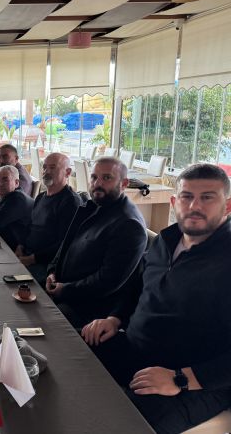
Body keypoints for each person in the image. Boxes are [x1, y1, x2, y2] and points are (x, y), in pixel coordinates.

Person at [81, 163, 231, 434]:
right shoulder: (166, 240)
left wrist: (181, 378)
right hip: (138, 349)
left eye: (207, 197)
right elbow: (139, 285)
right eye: (187, 196)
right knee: (72, 358)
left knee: (121, 422)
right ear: (174, 202)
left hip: (196, 380)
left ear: (227, 206)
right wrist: (115, 318)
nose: (194, 206)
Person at [45, 157, 147, 328]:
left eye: (107, 178)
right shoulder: (92, 206)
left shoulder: (129, 225)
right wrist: (52, 271)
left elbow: (107, 282)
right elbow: (66, 245)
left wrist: (65, 289)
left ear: (124, 184)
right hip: (61, 290)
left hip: (87, 311)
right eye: (94, 177)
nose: (97, 183)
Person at [15, 153, 82, 284]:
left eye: (52, 167)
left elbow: (64, 244)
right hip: (27, 254)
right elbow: (30, 226)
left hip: (45, 265)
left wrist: (32, 259)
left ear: (68, 172)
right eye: (44, 167)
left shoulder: (71, 202)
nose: (46, 172)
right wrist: (20, 246)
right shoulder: (41, 197)